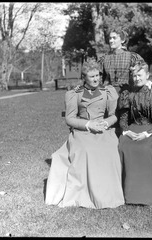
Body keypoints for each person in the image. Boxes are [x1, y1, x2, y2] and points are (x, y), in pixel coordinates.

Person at [45, 60, 124, 209]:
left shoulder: (108, 91)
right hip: (83, 131)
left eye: (97, 75)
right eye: (92, 76)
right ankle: (85, 193)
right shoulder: (74, 94)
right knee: (86, 151)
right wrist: (88, 124)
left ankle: (109, 194)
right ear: (84, 77)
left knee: (111, 149)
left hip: (103, 129)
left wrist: (105, 123)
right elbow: (69, 118)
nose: (96, 79)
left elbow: (115, 115)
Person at [118, 60, 152, 205]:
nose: (137, 79)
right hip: (132, 129)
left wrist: (147, 134)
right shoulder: (127, 95)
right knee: (124, 147)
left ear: (147, 75)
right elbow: (123, 120)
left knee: (144, 148)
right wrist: (127, 132)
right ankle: (125, 192)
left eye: (140, 75)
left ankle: (146, 193)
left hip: (151, 131)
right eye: (134, 76)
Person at [98, 27, 145, 136]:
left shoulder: (132, 56)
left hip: (126, 94)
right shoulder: (105, 58)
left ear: (122, 40)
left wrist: (136, 71)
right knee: (109, 126)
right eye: (110, 38)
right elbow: (98, 78)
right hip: (108, 95)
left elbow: (143, 72)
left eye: (114, 38)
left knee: (125, 124)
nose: (111, 41)